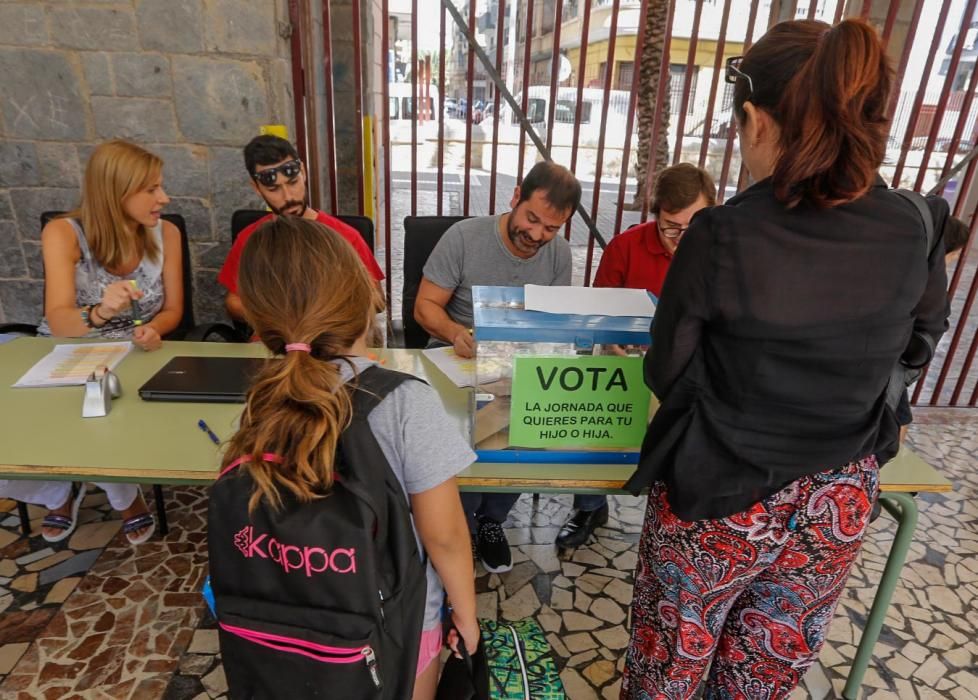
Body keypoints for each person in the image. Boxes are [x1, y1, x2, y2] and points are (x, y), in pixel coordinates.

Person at [621, 19, 949, 699]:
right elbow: (918, 342)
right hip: (837, 502)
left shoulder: (722, 233)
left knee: (670, 675)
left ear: (756, 119)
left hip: (720, 499)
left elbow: (667, 370)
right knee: (761, 679)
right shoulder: (917, 222)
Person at [212, 216, 478, 699]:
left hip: (280, 636)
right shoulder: (403, 401)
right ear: (362, 297)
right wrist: (466, 614)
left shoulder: (262, 398)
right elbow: (445, 536)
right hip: (393, 631)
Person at [2, 139, 176, 545]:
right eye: (151, 189)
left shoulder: (164, 233)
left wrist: (156, 329)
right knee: (23, 430)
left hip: (133, 351)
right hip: (66, 350)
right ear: (117, 192)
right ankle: (59, 490)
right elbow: (60, 318)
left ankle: (117, 494)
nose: (163, 198)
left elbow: (173, 310)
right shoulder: (62, 233)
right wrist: (98, 313)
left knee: (100, 405)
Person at [414, 161, 580, 573]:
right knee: (466, 439)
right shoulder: (465, 237)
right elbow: (424, 307)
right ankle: (460, 521)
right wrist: (455, 333)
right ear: (515, 198)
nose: (537, 236)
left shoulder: (558, 254)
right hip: (457, 356)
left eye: (551, 228)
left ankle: (492, 521)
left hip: (518, 363)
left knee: (530, 429)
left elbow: (554, 323)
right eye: (532, 219)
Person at [555, 164, 717, 551]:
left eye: (692, 226)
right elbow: (597, 311)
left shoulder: (726, 251)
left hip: (695, 377)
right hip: (628, 369)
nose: (681, 238)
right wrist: (611, 343)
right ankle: (590, 505)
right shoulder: (627, 246)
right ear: (656, 214)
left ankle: (679, 516)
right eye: (670, 227)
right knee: (596, 417)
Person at [217, 135, 384, 323]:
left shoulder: (345, 236)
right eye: (274, 189)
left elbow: (377, 301)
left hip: (332, 339)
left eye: (293, 182)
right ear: (256, 188)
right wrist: (275, 321)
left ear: (303, 172)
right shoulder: (250, 238)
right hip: (273, 339)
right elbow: (233, 300)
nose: (288, 197)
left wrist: (321, 320)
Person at [895, 215, 972, 442]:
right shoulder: (927, 282)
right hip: (890, 365)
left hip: (883, 362)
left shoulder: (895, 267)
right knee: (898, 426)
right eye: (956, 253)